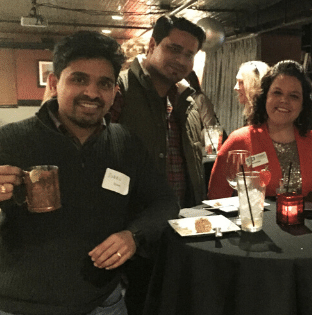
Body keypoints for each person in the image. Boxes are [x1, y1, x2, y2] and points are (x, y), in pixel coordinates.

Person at [0, 31, 178, 315]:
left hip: (105, 301)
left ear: (113, 92)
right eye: (79, 79)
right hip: (25, 305)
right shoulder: (10, 140)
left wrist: (134, 235)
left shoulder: (125, 143)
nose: (92, 93)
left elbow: (165, 202)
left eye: (104, 83)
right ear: (54, 83)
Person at [109, 15, 206, 315]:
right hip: (135, 241)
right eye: (173, 49)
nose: (181, 60)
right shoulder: (119, 92)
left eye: (189, 54)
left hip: (182, 237)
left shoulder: (187, 102)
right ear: (152, 45)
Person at [208, 60, 312, 198]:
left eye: (294, 96)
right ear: (265, 97)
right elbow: (216, 198)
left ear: (303, 104)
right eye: (277, 93)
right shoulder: (238, 141)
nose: (284, 100)